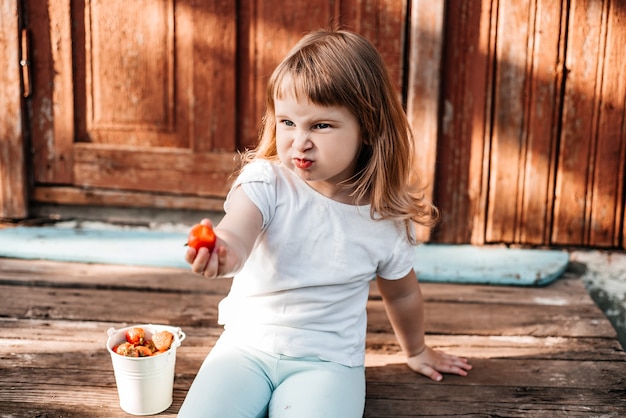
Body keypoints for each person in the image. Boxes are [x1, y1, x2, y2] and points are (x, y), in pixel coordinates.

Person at [178, 28, 471, 418]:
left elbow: (401, 293)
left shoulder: (384, 218)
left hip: (328, 362)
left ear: (367, 129)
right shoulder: (267, 182)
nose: (300, 142)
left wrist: (416, 350)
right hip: (244, 348)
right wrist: (222, 250)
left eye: (321, 126)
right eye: (287, 122)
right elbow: (238, 232)